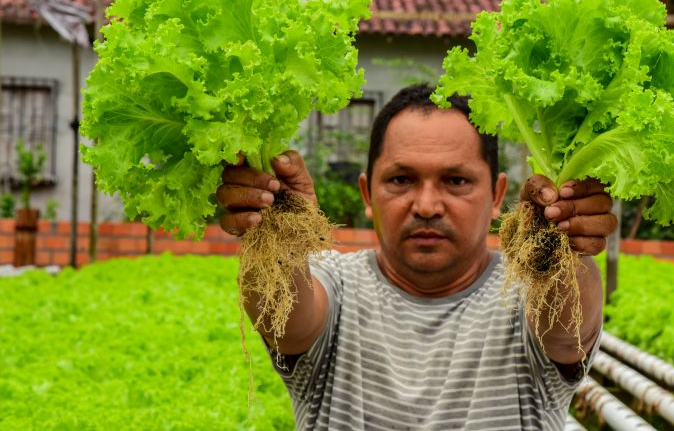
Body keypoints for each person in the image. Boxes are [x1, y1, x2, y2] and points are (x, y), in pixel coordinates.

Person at [217, 84, 616, 430]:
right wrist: (274, 226)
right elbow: (286, 320)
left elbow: (566, 331)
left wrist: (564, 242)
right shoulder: (333, 283)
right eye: (401, 180)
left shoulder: (527, 293)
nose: (426, 205)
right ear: (367, 194)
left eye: (456, 181)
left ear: (497, 195)